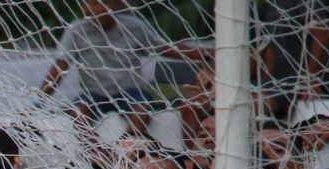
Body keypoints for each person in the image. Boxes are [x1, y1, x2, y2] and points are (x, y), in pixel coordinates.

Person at [36, 0, 203, 138]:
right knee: (79, 115)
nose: (96, 9)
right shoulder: (77, 30)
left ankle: (128, 147)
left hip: (131, 90)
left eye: (102, 3)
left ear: (114, 5)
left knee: (142, 112)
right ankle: (94, 155)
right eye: (90, 4)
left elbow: (164, 48)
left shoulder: (134, 27)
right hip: (94, 93)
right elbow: (60, 67)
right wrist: (39, 101)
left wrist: (205, 54)